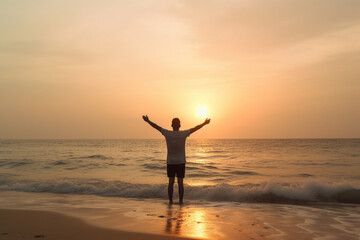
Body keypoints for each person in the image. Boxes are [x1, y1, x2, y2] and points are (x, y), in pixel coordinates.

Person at [142, 115, 210, 204]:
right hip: (181, 162)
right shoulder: (183, 134)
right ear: (180, 125)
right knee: (180, 183)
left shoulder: (167, 133)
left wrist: (148, 121)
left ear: (171, 125)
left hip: (170, 162)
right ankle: (181, 201)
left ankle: (170, 201)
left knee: (171, 182)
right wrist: (204, 123)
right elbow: (195, 128)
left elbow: (156, 127)